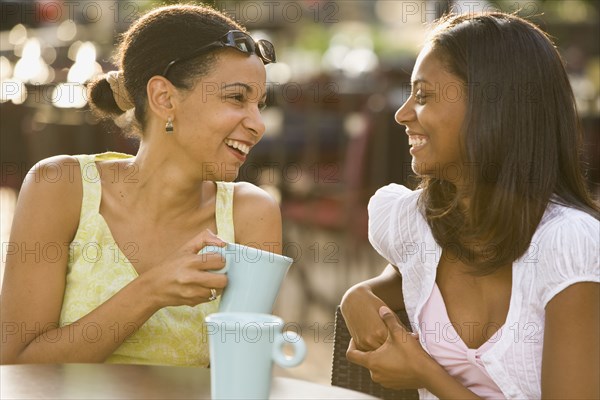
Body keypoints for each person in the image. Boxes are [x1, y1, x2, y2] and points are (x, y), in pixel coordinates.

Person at [1, 4, 281, 366]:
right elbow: (15, 365)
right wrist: (150, 291)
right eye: (237, 98)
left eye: (259, 104)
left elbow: (243, 373)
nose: (258, 124)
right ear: (164, 98)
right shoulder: (60, 186)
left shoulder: (251, 214)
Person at [341, 12, 599, 399]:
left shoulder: (567, 244)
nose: (402, 113)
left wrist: (428, 375)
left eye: (424, 95)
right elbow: (406, 278)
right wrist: (355, 297)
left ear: (493, 107)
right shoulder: (419, 222)